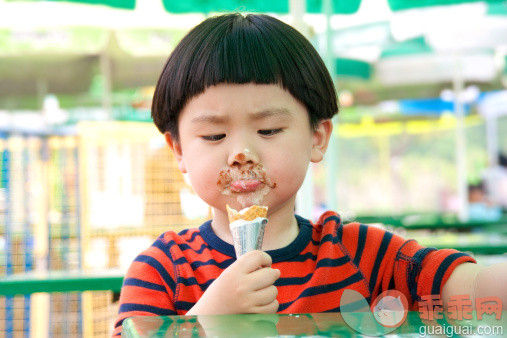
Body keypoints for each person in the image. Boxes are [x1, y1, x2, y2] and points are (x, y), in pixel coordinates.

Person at [112, 13, 506, 336]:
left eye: (268, 130)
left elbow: (472, 290)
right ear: (179, 149)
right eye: (214, 135)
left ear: (317, 137)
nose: (240, 154)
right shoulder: (164, 270)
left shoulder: (363, 254)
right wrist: (207, 322)